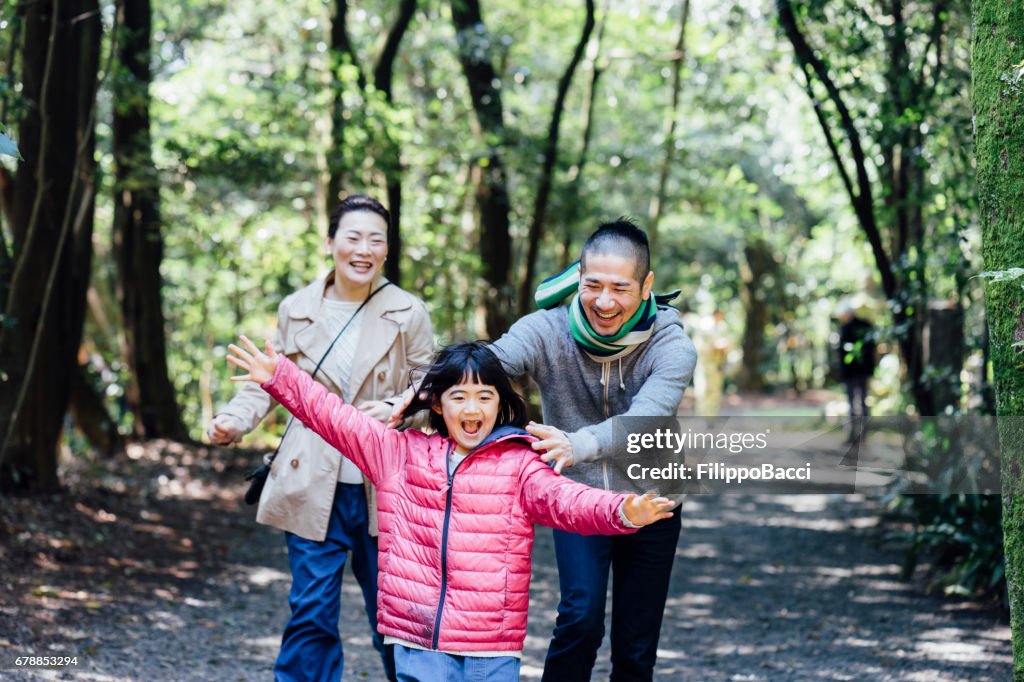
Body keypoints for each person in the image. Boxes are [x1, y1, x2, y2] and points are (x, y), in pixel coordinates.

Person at [226, 337, 677, 682]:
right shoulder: (397, 454)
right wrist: (279, 376)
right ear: (437, 404)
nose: (473, 406)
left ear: (501, 403)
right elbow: (332, 417)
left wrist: (622, 510)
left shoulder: (519, 464)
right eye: (459, 396)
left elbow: (568, 501)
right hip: (417, 636)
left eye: (485, 395)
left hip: (491, 645)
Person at [206, 195, 433, 682]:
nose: (364, 249)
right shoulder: (298, 309)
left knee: (396, 619)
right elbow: (269, 381)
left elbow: (435, 390)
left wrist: (401, 407)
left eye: (377, 239)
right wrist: (232, 420)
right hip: (311, 481)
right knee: (311, 612)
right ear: (331, 243)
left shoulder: (409, 312)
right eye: (353, 237)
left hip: (386, 487)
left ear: (388, 250)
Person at [485, 219, 697, 681]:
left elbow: (647, 417)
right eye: (592, 285)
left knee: (636, 646)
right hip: (577, 498)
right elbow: (485, 367)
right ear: (578, 277)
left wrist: (577, 443)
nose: (604, 301)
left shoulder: (672, 344)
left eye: (619, 288)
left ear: (646, 287)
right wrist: (424, 393)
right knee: (580, 619)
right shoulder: (547, 331)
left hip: (653, 499)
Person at [836, 300, 876, 443]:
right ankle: (858, 434)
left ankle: (857, 434)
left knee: (856, 403)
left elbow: (842, 354)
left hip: (855, 373)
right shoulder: (865, 326)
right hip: (859, 372)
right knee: (858, 403)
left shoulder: (849, 329)